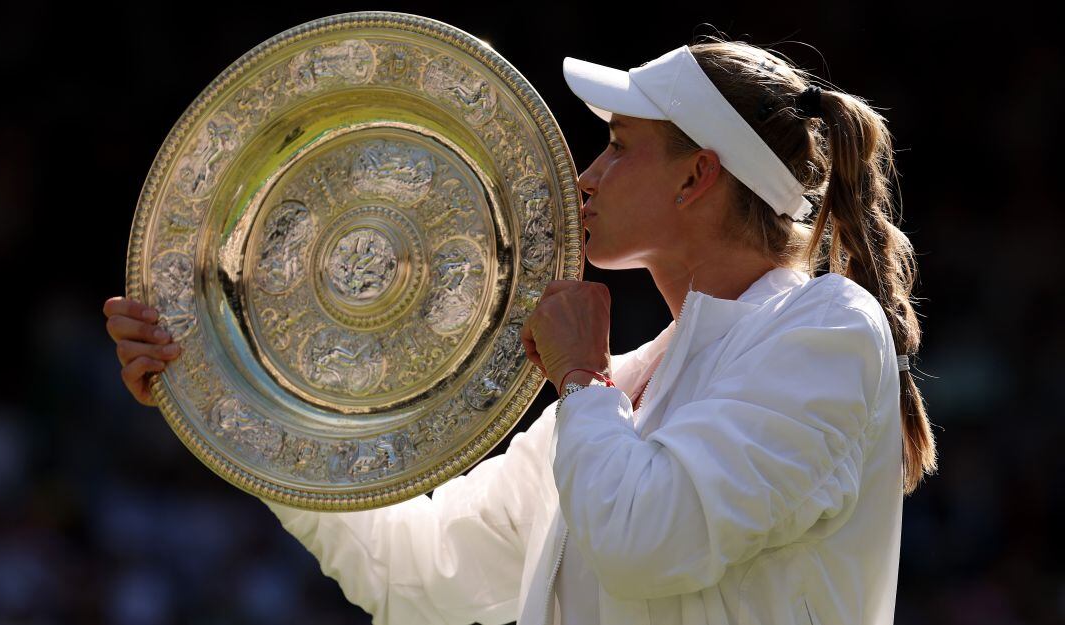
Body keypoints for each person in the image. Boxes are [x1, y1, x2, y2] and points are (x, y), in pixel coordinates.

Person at [103, 36, 938, 625]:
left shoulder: (827, 326)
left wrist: (580, 378)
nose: (586, 177)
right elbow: (415, 575)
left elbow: (648, 541)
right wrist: (238, 391)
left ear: (697, 176)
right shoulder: (633, 383)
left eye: (617, 148)